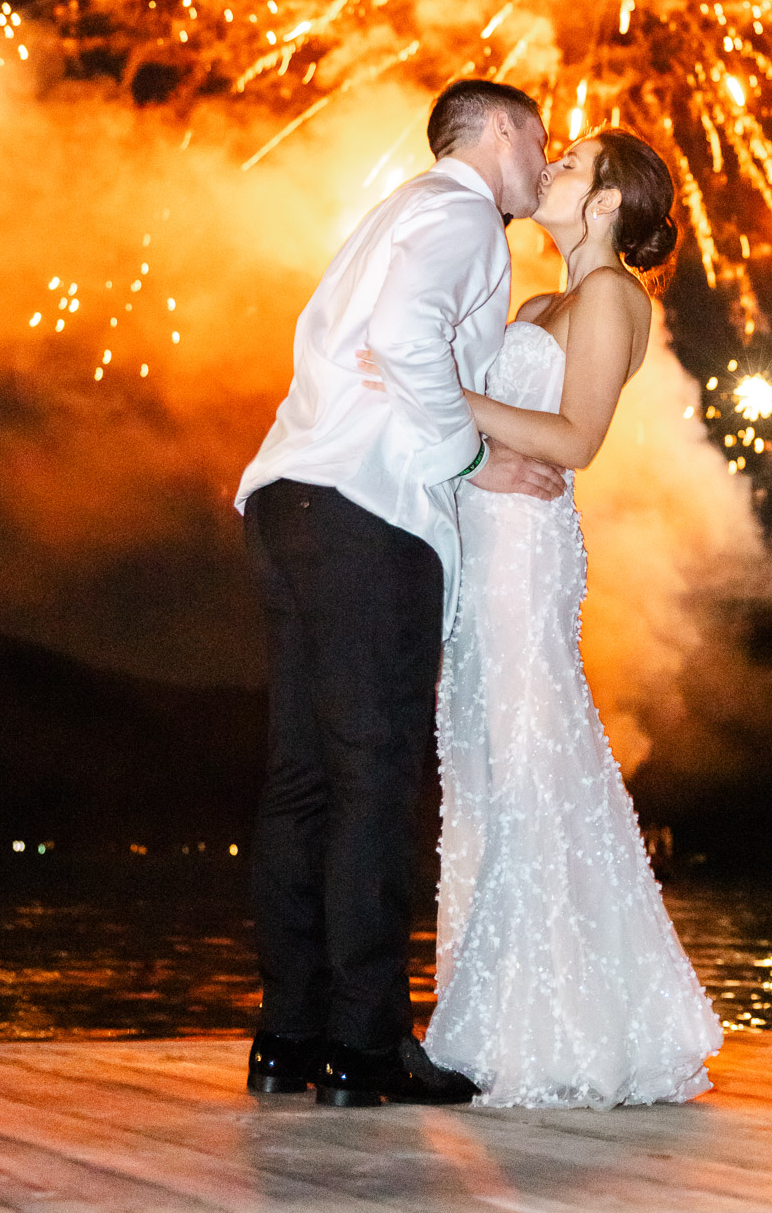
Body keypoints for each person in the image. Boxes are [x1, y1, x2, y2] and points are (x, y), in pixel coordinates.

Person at [235, 79, 563, 1108]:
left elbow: (358, 335)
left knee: (302, 781)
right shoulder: (465, 213)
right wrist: (472, 459)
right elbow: (409, 334)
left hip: (288, 498)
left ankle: (289, 1036)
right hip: (368, 514)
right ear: (502, 130)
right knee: (373, 780)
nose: (547, 161)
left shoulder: (397, 210)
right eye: (541, 139)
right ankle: (367, 1046)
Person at [419, 128, 723, 1107]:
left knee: (525, 762)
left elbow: (578, 439)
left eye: (572, 164)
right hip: (483, 539)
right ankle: (507, 1010)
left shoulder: (610, 297)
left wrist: (447, 396)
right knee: (490, 767)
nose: (548, 169)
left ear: (604, 206)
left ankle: (539, 1033)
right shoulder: (544, 299)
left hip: (523, 550)